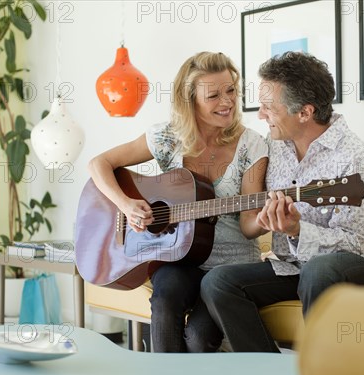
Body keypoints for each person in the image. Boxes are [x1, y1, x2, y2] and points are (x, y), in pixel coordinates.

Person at [200, 51, 364, 352]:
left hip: (358, 267)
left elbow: (355, 244)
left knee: (319, 270)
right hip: (295, 267)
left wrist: (297, 231)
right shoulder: (276, 146)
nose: (261, 115)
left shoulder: (358, 160)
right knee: (218, 282)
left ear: (304, 113)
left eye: (268, 108)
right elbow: (252, 211)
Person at [87, 52, 268, 352]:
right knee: (164, 300)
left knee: (198, 336)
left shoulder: (251, 144)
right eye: (213, 95)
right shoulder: (167, 137)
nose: (227, 102)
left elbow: (249, 224)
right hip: (177, 257)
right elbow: (98, 164)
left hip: (230, 268)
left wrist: (266, 218)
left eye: (231, 90)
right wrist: (125, 204)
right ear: (190, 101)